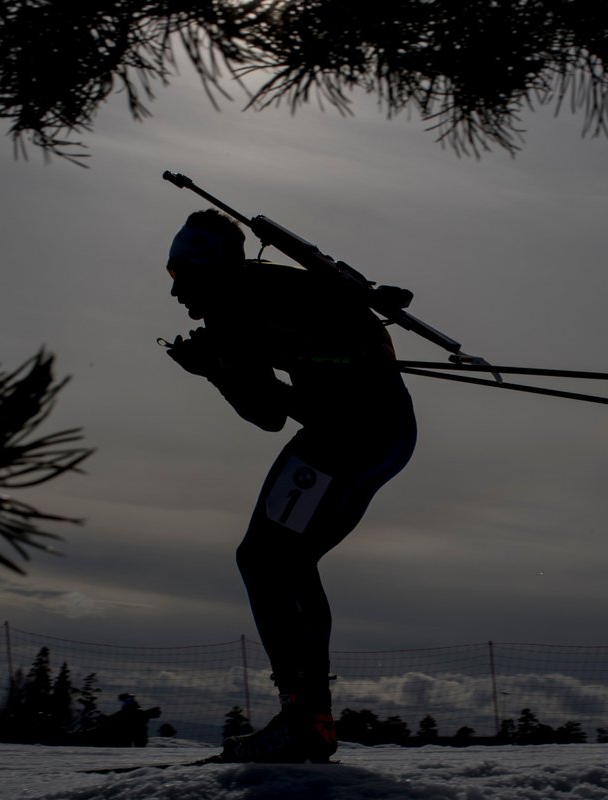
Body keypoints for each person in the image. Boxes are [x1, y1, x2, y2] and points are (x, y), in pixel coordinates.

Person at [163, 209, 418, 763]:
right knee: (289, 561)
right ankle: (310, 720)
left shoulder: (235, 306)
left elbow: (267, 414)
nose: (175, 291)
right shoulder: (268, 283)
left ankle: (304, 719)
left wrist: (216, 369)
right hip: (388, 432)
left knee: (263, 559)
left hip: (346, 435)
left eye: (180, 274)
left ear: (209, 269)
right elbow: (292, 394)